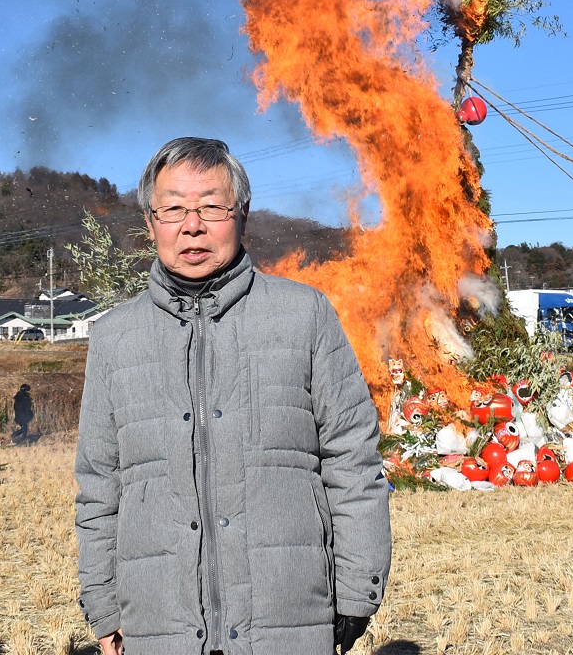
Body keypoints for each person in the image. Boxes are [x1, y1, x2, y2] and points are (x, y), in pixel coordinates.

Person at [74, 138, 391, 655]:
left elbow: (352, 459)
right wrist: (103, 605)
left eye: (211, 206)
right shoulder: (115, 337)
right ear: (150, 221)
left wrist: (357, 591)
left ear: (242, 213)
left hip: (288, 619)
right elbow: (99, 483)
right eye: (173, 207)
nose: (191, 225)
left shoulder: (303, 315)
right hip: (158, 625)